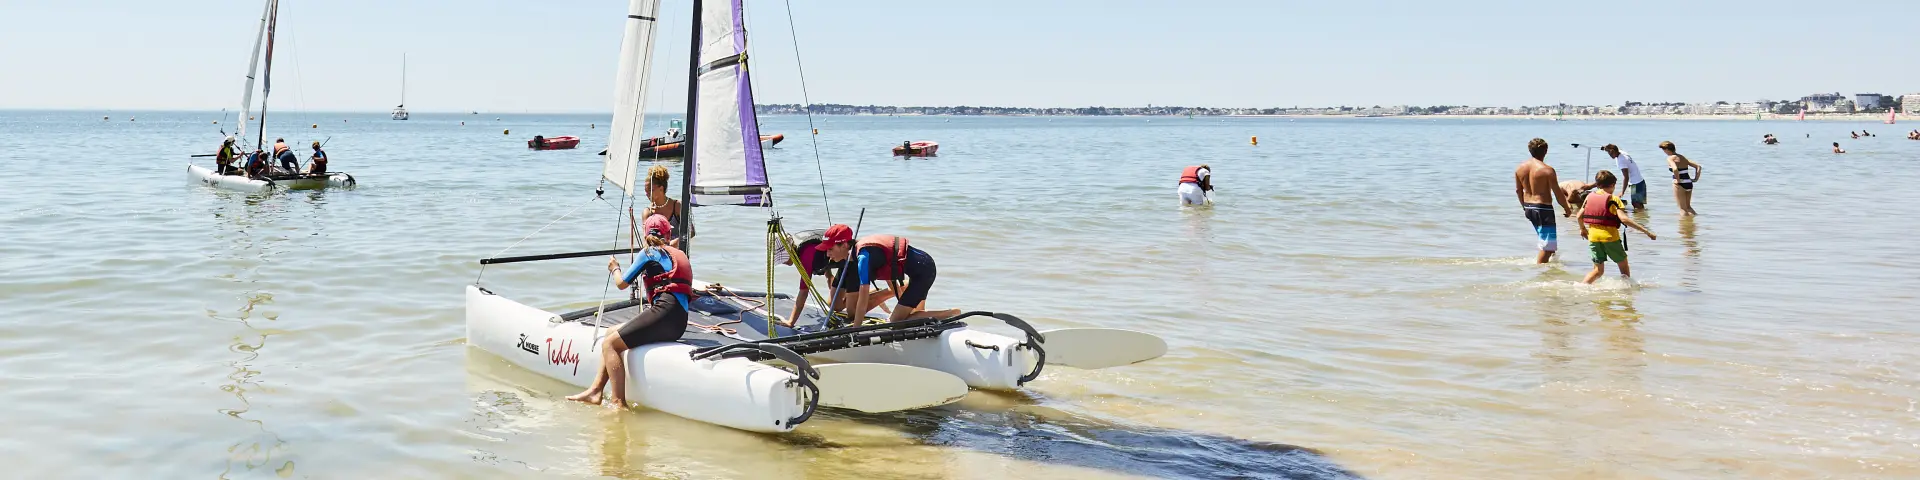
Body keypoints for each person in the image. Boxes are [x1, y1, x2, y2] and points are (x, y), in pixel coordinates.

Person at [566, 219, 692, 408]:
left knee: (610, 344)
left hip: (664, 313)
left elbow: (622, 283)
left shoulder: (648, 252)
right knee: (610, 334)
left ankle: (618, 403)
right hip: (679, 322)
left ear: (646, 234)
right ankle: (596, 390)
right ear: (667, 236)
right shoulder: (679, 254)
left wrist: (614, 268)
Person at [815, 224, 960, 323]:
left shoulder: (863, 258)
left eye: (830, 249)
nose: (828, 254)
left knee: (895, 321)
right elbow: (890, 269)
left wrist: (855, 329)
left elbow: (863, 300)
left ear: (845, 245)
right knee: (910, 314)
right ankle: (930, 314)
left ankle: (951, 313)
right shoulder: (859, 253)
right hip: (922, 266)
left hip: (923, 271)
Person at [775, 227, 894, 327]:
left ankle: (891, 291)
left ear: (790, 251)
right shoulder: (801, 249)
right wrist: (828, 276)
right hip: (842, 264)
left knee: (852, 313)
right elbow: (823, 257)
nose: (784, 262)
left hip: (852, 264)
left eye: (783, 259)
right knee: (835, 306)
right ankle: (865, 294)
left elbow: (804, 291)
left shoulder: (805, 256)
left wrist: (791, 322)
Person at [1578, 170, 1656, 284]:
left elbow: (1579, 216)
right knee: (1623, 267)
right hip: (1610, 238)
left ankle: (1582, 287)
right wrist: (1646, 231)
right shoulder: (1613, 199)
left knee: (1598, 271)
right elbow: (1624, 219)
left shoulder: (1589, 197)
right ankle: (1627, 290)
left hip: (1593, 237)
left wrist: (1582, 229)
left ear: (1598, 184)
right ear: (1613, 185)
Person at [1514, 138, 1570, 263]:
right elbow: (1558, 193)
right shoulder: (1547, 170)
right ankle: (1540, 273)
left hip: (1529, 207)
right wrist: (1566, 208)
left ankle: (1551, 268)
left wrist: (1524, 207)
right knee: (1548, 248)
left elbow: (1518, 191)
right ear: (1545, 151)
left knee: (1547, 242)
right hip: (1543, 209)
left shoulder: (1520, 168)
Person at [639, 165, 684, 247]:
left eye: (650, 190)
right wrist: (652, 218)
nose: (647, 194)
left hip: (677, 254)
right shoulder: (647, 212)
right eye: (646, 191)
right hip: (657, 256)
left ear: (661, 188)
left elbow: (691, 232)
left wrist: (673, 244)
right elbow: (646, 239)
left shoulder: (677, 206)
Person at [1659, 141, 1701, 216]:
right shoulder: (1682, 157)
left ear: (1667, 150)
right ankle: (1695, 222)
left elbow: (1675, 169)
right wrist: (1695, 179)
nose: (1664, 152)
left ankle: (1684, 227)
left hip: (1680, 184)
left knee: (1682, 209)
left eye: (1664, 150)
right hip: (1689, 183)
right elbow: (1698, 166)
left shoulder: (1670, 158)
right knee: (1688, 207)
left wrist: (1678, 180)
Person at [1601, 144, 1647, 211]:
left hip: (1636, 184)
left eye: (1610, 153)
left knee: (1636, 204)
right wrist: (1605, 148)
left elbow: (1626, 177)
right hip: (1639, 181)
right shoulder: (1621, 152)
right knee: (1636, 203)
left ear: (1614, 151)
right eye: (1608, 153)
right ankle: (1641, 218)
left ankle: (1641, 219)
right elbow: (1614, 147)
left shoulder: (1621, 161)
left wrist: (1622, 192)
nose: (1610, 155)